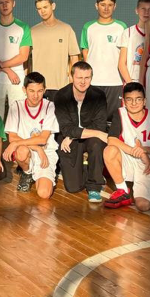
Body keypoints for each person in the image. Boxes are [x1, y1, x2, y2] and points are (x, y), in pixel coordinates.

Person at [103, 82, 150, 211]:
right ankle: (123, 191)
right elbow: (111, 140)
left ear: (144, 101)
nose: (134, 103)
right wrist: (138, 153)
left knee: (143, 205)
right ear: (124, 101)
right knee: (109, 150)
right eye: (129, 99)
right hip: (130, 160)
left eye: (138, 99)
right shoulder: (120, 113)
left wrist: (144, 150)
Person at [52, 62, 109, 202]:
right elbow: (66, 128)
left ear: (91, 78)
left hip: (88, 138)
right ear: (72, 77)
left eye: (87, 77)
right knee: (73, 187)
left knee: (97, 144)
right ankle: (85, 168)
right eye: (79, 78)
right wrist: (72, 136)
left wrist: (74, 135)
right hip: (68, 138)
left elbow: (100, 125)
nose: (83, 82)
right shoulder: (61, 95)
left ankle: (94, 186)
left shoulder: (99, 95)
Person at [2, 72, 59, 198]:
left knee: (44, 194)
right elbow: (12, 137)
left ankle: (41, 175)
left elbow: (43, 139)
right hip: (29, 150)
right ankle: (27, 173)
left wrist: (17, 143)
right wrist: (37, 148)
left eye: (39, 91)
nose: (35, 95)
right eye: (31, 91)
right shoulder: (16, 106)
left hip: (46, 152)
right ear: (24, 90)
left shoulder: (50, 106)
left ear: (44, 90)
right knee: (21, 151)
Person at [80, 0, 126, 116]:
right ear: (96, 5)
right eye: (103, 4)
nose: (106, 8)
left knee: (113, 119)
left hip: (115, 82)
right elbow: (85, 52)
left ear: (115, 6)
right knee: (94, 118)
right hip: (94, 82)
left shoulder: (121, 27)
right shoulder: (88, 27)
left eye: (110, 5)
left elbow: (124, 55)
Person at [30, 0, 81, 102]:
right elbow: (26, 59)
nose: (42, 11)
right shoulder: (33, 31)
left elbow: (74, 57)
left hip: (61, 86)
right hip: (38, 87)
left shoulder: (66, 29)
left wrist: (73, 80)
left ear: (53, 6)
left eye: (45, 7)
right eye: (39, 9)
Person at [117, 0, 150, 85]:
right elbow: (121, 63)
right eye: (143, 9)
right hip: (132, 80)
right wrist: (130, 83)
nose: (146, 12)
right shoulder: (128, 32)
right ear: (136, 10)